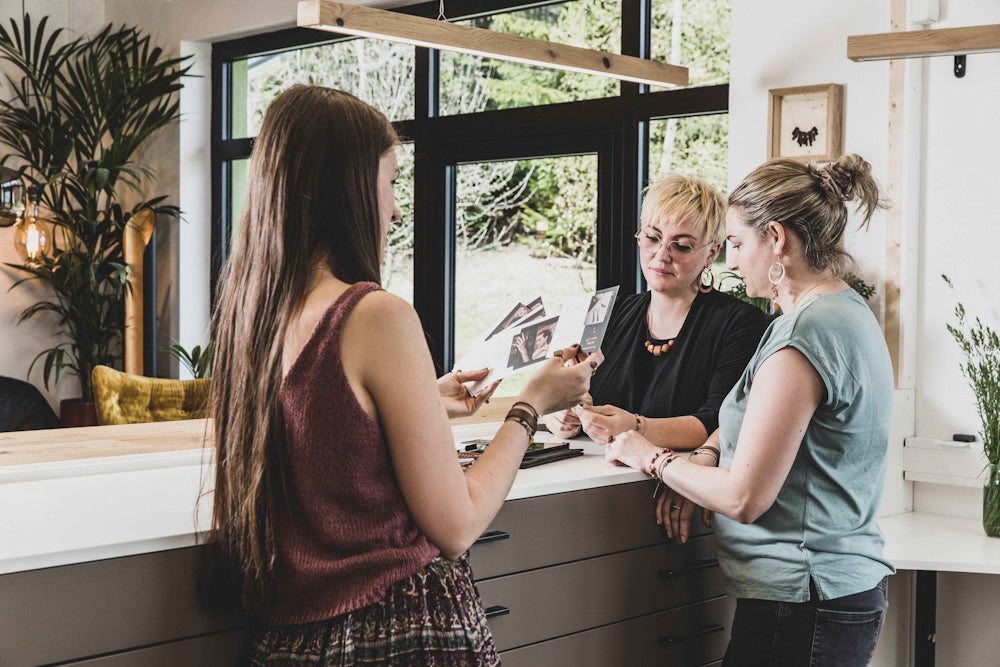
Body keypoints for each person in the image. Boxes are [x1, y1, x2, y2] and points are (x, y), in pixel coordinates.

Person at [207, 85, 599, 666]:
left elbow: (320, 427)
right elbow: (458, 525)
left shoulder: (254, 318)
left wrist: (422, 400)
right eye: (391, 181)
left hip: (286, 642)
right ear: (348, 187)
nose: (394, 208)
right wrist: (530, 407)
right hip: (396, 634)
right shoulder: (373, 314)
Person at [606, 154, 895, 666]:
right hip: (828, 591)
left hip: (802, 596)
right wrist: (705, 454)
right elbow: (761, 421)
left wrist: (652, 458)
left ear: (777, 239)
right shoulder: (841, 312)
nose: (732, 263)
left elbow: (744, 498)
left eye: (737, 244)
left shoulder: (805, 335)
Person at [543, 173, 768, 452]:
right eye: (652, 238)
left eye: (681, 245)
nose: (661, 255)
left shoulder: (740, 323)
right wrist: (559, 414)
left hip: (680, 483)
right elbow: (565, 394)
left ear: (711, 254)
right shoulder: (607, 313)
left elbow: (721, 422)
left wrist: (637, 427)